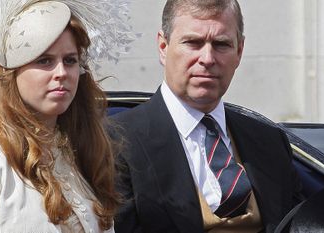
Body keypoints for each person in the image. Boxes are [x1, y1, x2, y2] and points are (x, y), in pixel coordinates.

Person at [0, 0, 137, 232]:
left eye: (70, 60)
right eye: (45, 60)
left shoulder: (82, 147)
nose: (61, 73)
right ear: (12, 72)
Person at [112, 0, 303, 232]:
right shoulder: (116, 142)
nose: (208, 58)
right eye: (193, 43)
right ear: (163, 47)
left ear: (239, 51)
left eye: (221, 44)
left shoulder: (270, 141)